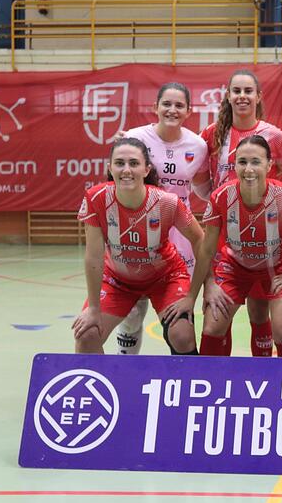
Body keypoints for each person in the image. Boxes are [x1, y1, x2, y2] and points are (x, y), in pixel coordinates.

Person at [163, 135, 282, 358]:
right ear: (234, 165)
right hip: (234, 268)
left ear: (269, 165)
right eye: (242, 162)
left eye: (256, 162)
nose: (248, 169)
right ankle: (210, 376)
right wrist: (195, 294)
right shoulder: (220, 197)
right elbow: (206, 250)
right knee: (212, 327)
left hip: (277, 267)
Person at [73, 137, 204, 355]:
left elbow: (200, 240)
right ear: (110, 168)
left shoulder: (167, 203)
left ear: (146, 169)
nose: (126, 170)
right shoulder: (96, 198)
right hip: (116, 280)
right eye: (120, 163)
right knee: (87, 335)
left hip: (165, 278)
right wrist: (94, 308)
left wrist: (195, 294)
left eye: (134, 163)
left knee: (182, 336)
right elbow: (94, 256)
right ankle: (106, 378)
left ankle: (188, 376)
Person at [113, 82, 210, 355]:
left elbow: (203, 187)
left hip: (180, 236)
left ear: (189, 111)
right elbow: (117, 180)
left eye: (179, 105)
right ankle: (127, 365)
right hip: (139, 232)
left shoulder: (198, 145)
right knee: (132, 313)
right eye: (166, 104)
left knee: (179, 320)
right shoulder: (134, 138)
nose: (172, 110)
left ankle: (184, 373)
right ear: (155, 107)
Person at [200, 69, 282, 357]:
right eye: (236, 91)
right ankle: (217, 373)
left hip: (264, 232)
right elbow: (201, 179)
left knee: (260, 308)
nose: (242, 96)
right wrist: (217, 204)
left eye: (248, 91)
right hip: (224, 234)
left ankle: (262, 366)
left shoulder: (274, 135)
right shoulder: (212, 134)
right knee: (219, 308)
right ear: (227, 96)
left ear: (258, 96)